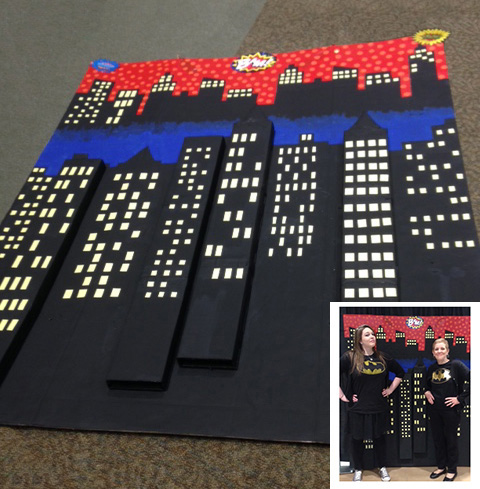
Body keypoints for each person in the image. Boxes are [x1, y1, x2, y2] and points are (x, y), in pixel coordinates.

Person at [340, 324, 405, 482]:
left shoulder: (382, 357)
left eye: (373, 334)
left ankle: (382, 467)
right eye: (367, 335)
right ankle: (358, 468)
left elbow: (400, 372)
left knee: (379, 439)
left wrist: (390, 390)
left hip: (379, 407)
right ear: (360, 340)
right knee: (357, 440)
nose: (372, 337)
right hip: (358, 408)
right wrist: (342, 395)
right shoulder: (350, 357)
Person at [425, 338, 470, 482]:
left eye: (442, 349)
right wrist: (426, 391)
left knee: (451, 440)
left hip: (451, 411)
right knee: (438, 439)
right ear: (433, 352)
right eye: (436, 349)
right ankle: (441, 466)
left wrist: (460, 398)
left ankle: (451, 469)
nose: (439, 351)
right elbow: (425, 385)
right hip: (434, 410)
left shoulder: (456, 365)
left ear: (447, 351)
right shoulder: (432, 368)